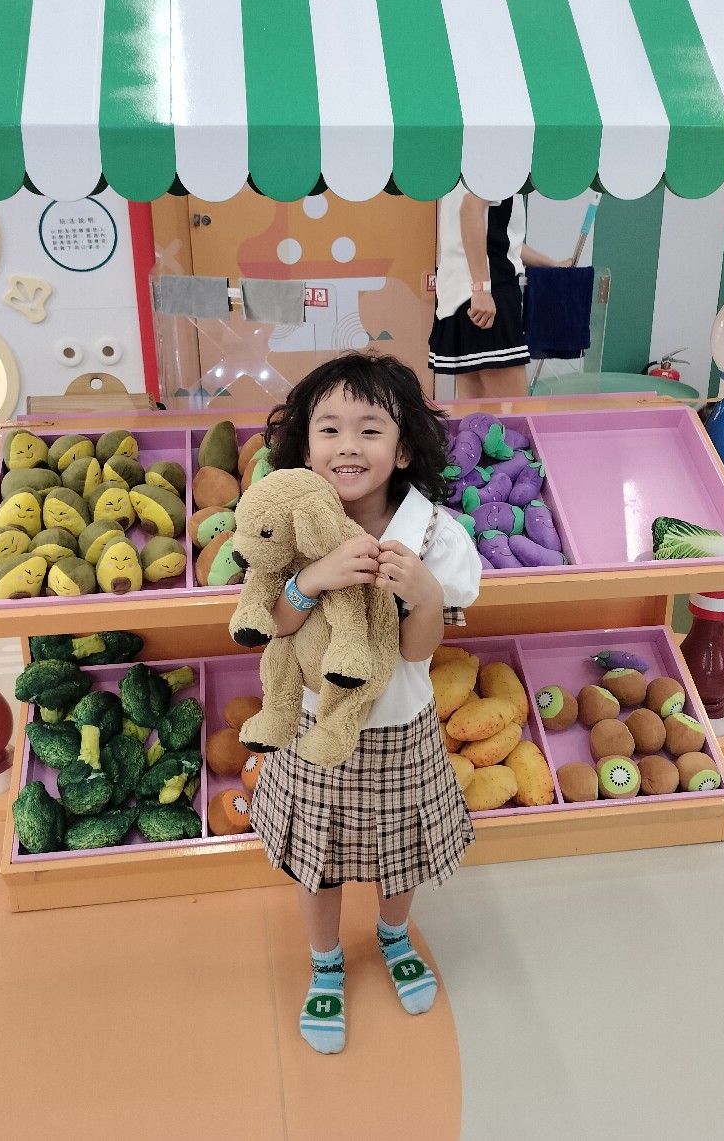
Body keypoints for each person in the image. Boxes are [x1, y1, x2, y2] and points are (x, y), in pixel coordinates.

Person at [247, 351, 482, 1054]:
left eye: (370, 429)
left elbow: (416, 653)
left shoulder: (433, 535)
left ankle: (393, 933)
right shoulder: (287, 526)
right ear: (305, 445)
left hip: (400, 729)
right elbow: (274, 625)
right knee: (314, 857)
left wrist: (426, 596)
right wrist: (312, 578)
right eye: (329, 429)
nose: (347, 445)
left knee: (399, 852)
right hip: (312, 726)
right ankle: (325, 961)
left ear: (403, 448)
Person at [428, 185, 571, 399]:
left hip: (461, 297)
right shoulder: (497, 171)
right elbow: (470, 209)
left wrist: (552, 265)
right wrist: (481, 289)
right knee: (514, 412)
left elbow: (504, 243)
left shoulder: (460, 175)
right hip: (488, 298)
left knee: (474, 413)